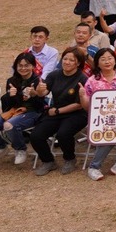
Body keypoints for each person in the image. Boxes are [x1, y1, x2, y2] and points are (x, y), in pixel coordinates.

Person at [27, 47, 89, 176]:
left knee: (63, 134)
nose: (67, 62)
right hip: (55, 111)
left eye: (71, 60)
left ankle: (70, 159)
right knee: (36, 135)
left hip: (76, 114)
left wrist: (57, 111)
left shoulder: (82, 78)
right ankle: (48, 161)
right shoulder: (54, 75)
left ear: (78, 63)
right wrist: (38, 90)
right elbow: (43, 92)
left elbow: (78, 105)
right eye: (65, 59)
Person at [82, 48, 116, 180]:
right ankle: (94, 167)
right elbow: (87, 107)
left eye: (110, 58)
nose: (107, 61)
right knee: (109, 133)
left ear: (115, 60)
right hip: (100, 119)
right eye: (103, 59)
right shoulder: (92, 81)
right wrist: (82, 97)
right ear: (97, 63)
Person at [0, 52, 44, 166]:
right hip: (13, 111)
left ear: (33, 66)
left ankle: (20, 149)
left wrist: (35, 94)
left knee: (9, 125)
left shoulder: (38, 82)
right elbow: (6, 106)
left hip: (33, 113)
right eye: (20, 65)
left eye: (27, 65)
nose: (23, 68)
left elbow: (40, 106)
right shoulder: (11, 81)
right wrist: (10, 96)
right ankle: (0, 147)